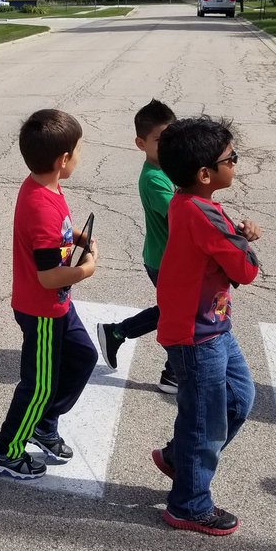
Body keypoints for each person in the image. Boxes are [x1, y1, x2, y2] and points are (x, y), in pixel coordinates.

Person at [152, 116, 260, 536]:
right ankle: (188, 504)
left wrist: (234, 234)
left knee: (239, 399)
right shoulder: (202, 213)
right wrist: (247, 239)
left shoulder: (190, 202)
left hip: (211, 325)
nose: (235, 163)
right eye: (230, 158)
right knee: (205, 420)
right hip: (197, 336)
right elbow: (246, 270)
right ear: (204, 174)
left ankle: (181, 458)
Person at [0, 109, 99, 480]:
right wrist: (85, 269)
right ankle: (6, 450)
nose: (79, 157)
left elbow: (54, 239)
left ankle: (43, 424)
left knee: (83, 355)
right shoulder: (41, 206)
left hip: (57, 303)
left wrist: (78, 238)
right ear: (63, 160)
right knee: (38, 385)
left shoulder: (43, 185)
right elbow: (49, 276)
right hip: (44, 307)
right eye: (78, 151)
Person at [98, 99, 178, 393]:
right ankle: (119, 333)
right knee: (177, 314)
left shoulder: (169, 170)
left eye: (171, 138)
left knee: (175, 312)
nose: (167, 145)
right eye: (159, 140)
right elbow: (182, 216)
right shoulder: (154, 179)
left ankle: (118, 333)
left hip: (171, 258)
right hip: (164, 260)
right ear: (140, 143)